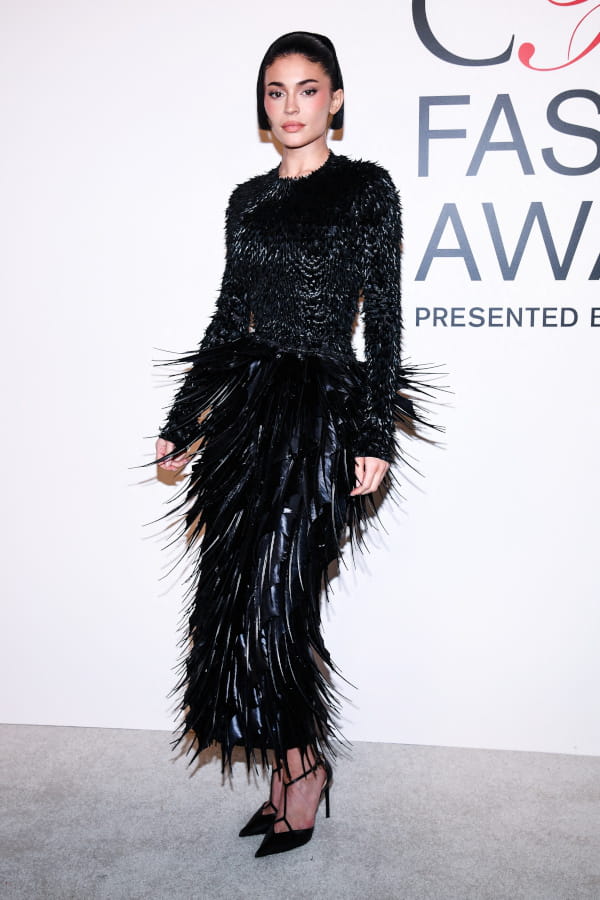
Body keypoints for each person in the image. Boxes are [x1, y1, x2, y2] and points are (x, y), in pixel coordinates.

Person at [150, 31, 440, 857]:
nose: (290, 107)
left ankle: (304, 770)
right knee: (236, 601)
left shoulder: (367, 190)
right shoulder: (247, 201)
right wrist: (184, 417)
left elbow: (384, 322)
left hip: (321, 418)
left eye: (307, 90)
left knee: (282, 600)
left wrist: (374, 433)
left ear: (335, 100)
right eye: (275, 92)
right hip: (248, 418)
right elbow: (226, 318)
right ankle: (291, 765)